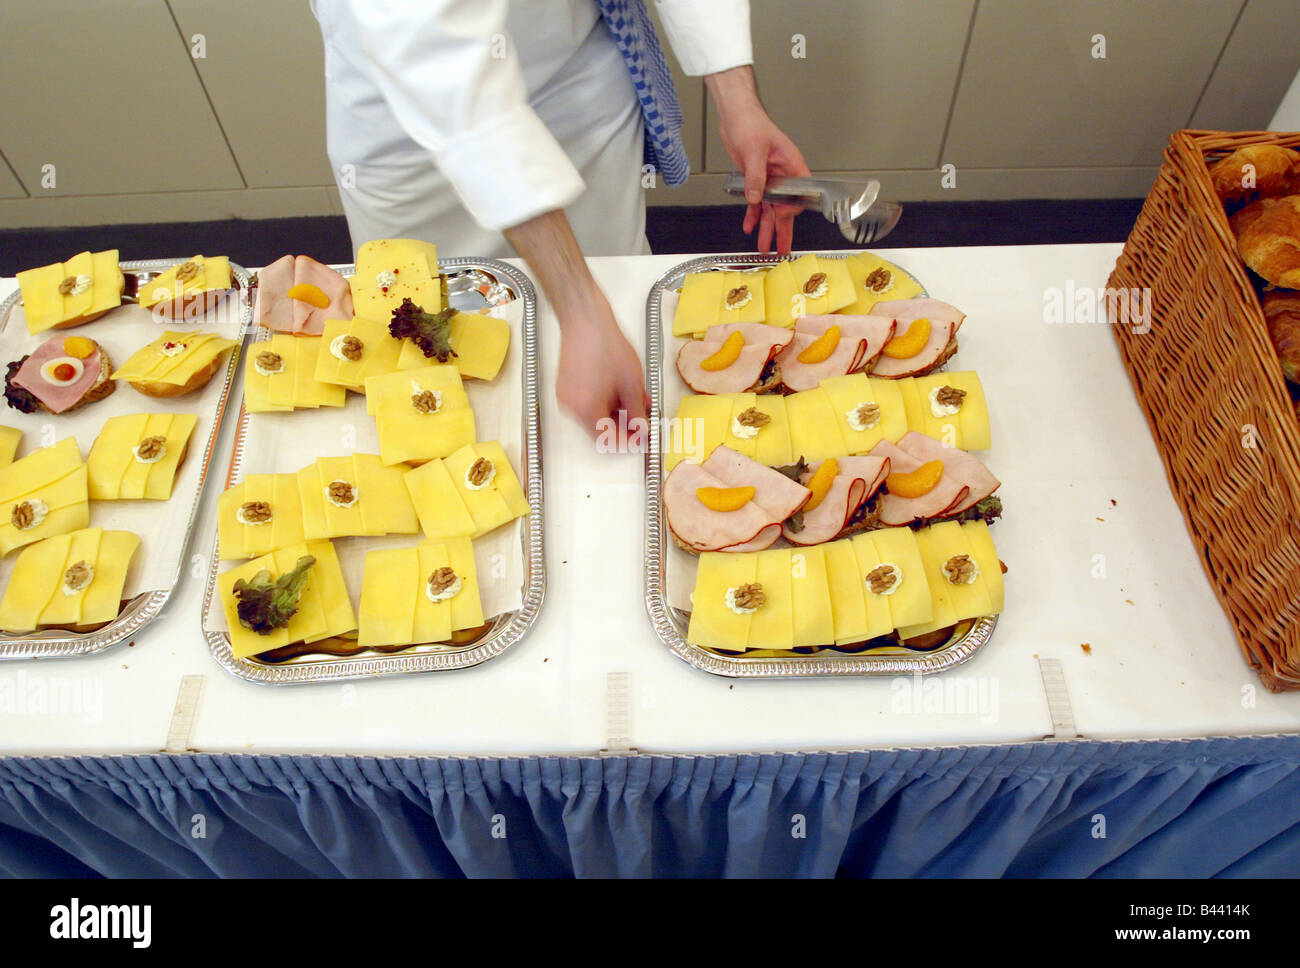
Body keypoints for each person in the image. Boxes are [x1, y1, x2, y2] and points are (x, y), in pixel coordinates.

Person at [312, 0, 809, 439]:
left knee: (622, 298)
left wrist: (738, 103)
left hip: (575, 66)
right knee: (428, 352)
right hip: (411, 105)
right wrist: (579, 306)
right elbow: (438, 62)